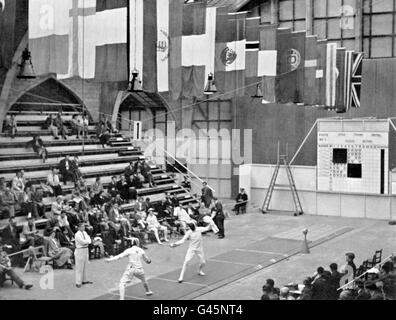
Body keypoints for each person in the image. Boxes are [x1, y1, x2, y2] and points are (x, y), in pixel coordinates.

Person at [74, 223, 93, 288]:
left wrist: (87, 241)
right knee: (79, 266)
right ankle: (78, 282)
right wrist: (87, 241)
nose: (83, 228)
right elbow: (82, 242)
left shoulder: (85, 232)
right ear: (79, 227)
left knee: (85, 265)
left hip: (86, 249)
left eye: (84, 226)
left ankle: (84, 280)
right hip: (80, 250)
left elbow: (89, 240)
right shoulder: (77, 234)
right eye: (82, 227)